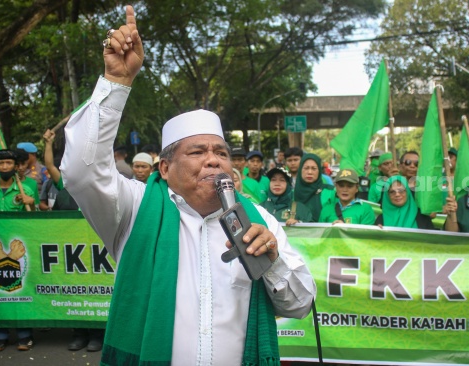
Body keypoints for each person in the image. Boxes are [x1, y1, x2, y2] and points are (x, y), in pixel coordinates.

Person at [60, 7, 315, 364]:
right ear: (164, 167)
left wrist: (272, 263)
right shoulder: (134, 209)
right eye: (198, 152)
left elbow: (301, 305)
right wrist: (116, 82)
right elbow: (80, 171)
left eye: (221, 152)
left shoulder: (259, 222)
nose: (214, 160)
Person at [0, 149, 35, 351]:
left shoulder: (25, 191)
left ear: (15, 167)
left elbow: (35, 221)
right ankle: (0, 334)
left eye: (8, 163)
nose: (5, 167)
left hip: (19, 249)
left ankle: (24, 334)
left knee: (21, 289)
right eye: (1, 163)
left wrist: (33, 204)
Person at [294, 153, 334, 222]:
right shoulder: (292, 193)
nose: (310, 172)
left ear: (319, 171)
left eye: (314, 168)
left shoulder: (330, 191)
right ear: (300, 170)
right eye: (306, 168)